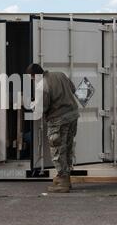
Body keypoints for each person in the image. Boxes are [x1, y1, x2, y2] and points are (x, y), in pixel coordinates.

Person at [26, 64, 80, 193]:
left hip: (58, 120)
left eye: (32, 78)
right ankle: (65, 177)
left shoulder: (41, 86)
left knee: (57, 149)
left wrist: (32, 105)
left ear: (35, 76)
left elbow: (41, 109)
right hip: (73, 116)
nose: (33, 81)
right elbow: (73, 89)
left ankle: (62, 181)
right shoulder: (60, 74)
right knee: (67, 147)